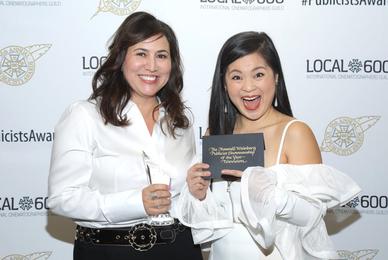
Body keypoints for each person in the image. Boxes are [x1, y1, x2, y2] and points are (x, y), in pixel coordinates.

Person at [177, 31, 361, 260]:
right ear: (224, 83)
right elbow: (214, 224)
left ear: (275, 77)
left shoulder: (295, 133)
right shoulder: (215, 135)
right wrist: (200, 195)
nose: (248, 87)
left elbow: (312, 217)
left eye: (258, 74)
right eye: (236, 77)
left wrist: (270, 195)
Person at [47, 11, 203, 260]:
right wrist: (135, 202)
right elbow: (62, 198)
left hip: (179, 248)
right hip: (110, 252)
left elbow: (182, 202)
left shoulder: (179, 123)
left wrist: (197, 194)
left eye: (161, 56)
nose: (152, 66)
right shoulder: (86, 116)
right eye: (141, 53)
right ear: (121, 58)